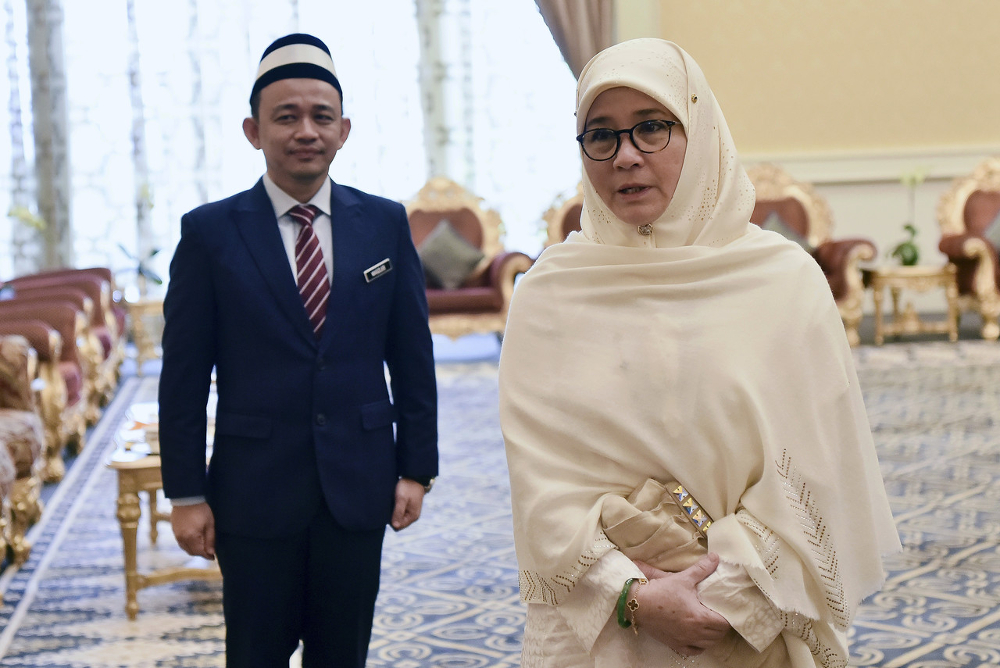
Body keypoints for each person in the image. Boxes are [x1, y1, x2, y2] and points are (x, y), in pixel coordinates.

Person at [498, 39, 899, 668]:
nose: (625, 156)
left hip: (752, 621)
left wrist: (727, 596)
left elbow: (821, 466)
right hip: (604, 629)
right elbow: (541, 486)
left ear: (701, 128)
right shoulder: (550, 293)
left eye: (651, 127)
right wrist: (633, 595)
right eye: (600, 135)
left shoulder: (782, 281)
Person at [157, 33, 438, 668]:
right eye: (287, 117)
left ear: (345, 130)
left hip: (359, 482)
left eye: (321, 116)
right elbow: (182, 377)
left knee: (342, 653)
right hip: (252, 490)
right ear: (254, 131)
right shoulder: (209, 233)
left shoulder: (386, 222)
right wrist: (185, 492)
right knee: (255, 652)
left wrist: (416, 468)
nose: (305, 130)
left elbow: (412, 356)